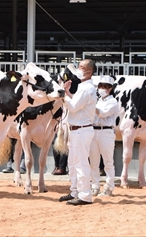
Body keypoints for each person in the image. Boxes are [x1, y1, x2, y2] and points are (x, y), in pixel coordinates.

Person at [59, 59, 97, 205]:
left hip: (82, 129)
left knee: (81, 163)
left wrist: (62, 95)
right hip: (77, 129)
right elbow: (77, 102)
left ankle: (85, 195)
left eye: (82, 67)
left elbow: (74, 107)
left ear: (89, 72)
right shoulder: (84, 87)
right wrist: (67, 92)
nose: (78, 69)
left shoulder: (87, 88)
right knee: (73, 162)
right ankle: (75, 191)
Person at [89, 75, 119, 197]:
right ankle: (95, 186)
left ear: (110, 88)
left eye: (105, 86)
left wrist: (91, 106)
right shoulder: (98, 101)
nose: (101, 89)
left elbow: (103, 114)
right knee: (93, 162)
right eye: (100, 86)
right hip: (94, 130)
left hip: (106, 132)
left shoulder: (113, 101)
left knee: (108, 161)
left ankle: (109, 187)